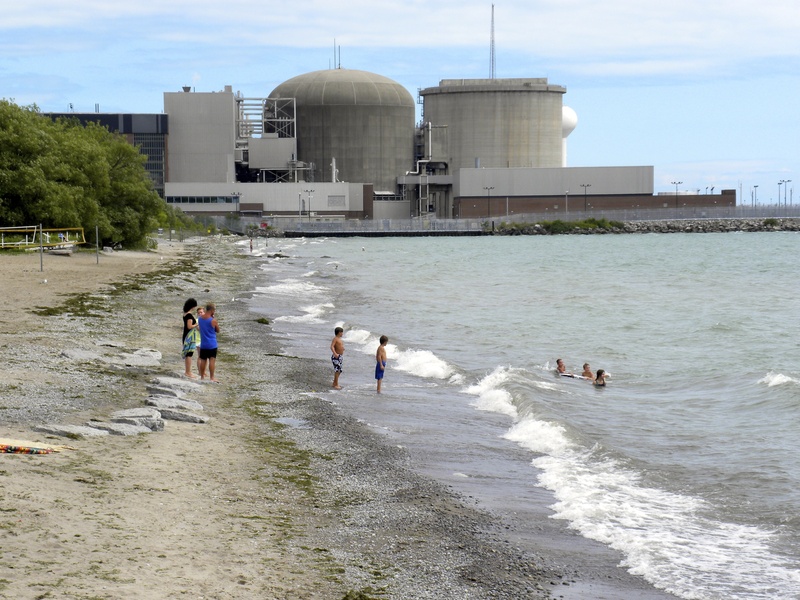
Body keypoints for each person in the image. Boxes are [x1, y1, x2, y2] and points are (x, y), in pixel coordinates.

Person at [197, 302, 220, 382]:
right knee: (212, 360)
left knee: (203, 360)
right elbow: (218, 330)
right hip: (212, 344)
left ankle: (202, 377)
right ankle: (212, 377)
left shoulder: (200, 319)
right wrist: (214, 319)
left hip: (203, 343)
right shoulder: (213, 320)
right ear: (212, 310)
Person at [181, 298, 200, 378]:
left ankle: (188, 371)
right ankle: (188, 372)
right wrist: (196, 324)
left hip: (187, 335)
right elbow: (189, 326)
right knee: (189, 354)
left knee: (188, 354)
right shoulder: (189, 315)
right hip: (189, 336)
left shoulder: (185, 314)